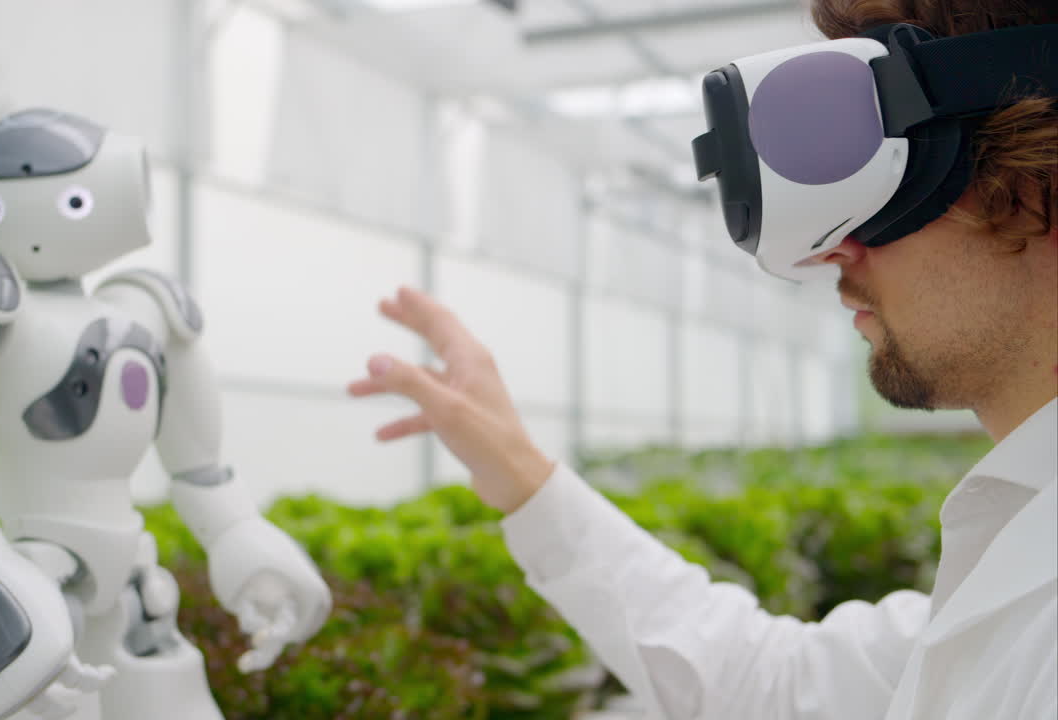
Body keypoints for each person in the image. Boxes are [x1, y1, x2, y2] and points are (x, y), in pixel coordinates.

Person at [347, 2, 1057, 718]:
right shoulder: (1017, 557)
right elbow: (780, 686)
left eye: (901, 164)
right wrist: (522, 478)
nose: (828, 249)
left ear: (1037, 165)